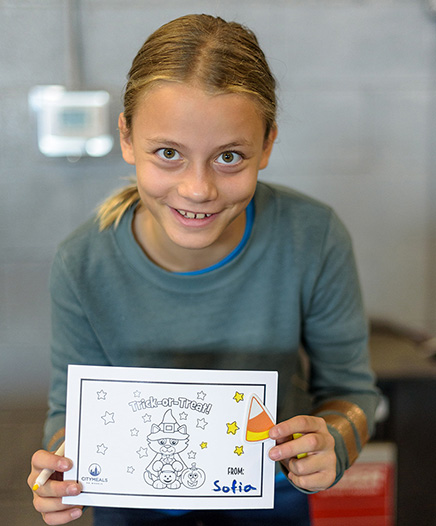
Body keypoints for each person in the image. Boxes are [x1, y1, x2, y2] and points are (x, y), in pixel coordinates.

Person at [28, 14, 379, 526]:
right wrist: (59, 471)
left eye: (229, 157)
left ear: (268, 145)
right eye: (168, 153)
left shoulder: (313, 236)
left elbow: (352, 390)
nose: (198, 189)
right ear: (127, 138)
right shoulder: (82, 262)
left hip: (272, 501)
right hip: (131, 510)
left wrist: (333, 442)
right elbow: (68, 414)